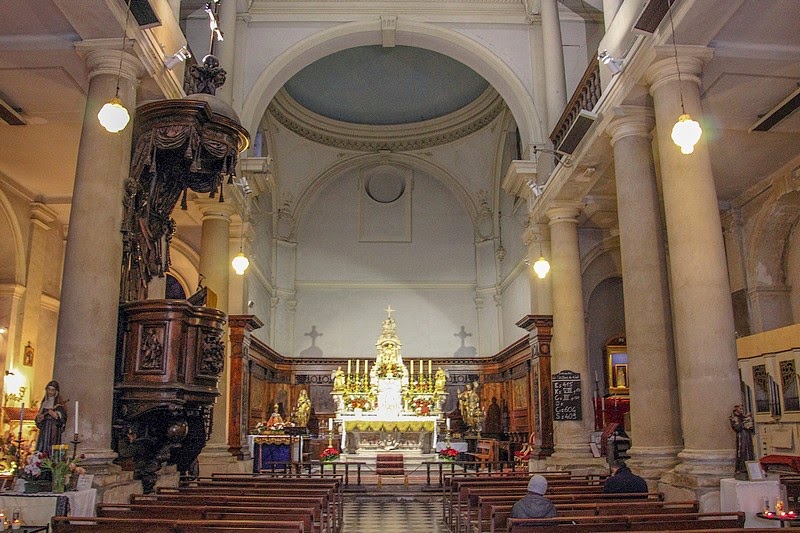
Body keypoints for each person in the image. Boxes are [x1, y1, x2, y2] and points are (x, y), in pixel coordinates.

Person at [35, 380, 67, 456]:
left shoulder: (58, 405)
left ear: (56, 392)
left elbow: (63, 418)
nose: (50, 392)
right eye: (48, 389)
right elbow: (38, 418)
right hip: (44, 429)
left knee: (51, 446)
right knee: (42, 446)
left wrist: (55, 415)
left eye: (52, 390)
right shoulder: (44, 403)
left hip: (53, 429)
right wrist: (39, 419)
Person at [730, 404, 755, 474]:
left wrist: (749, 423)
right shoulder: (734, 417)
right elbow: (736, 427)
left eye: (742, 409)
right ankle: (741, 468)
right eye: (740, 409)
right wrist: (744, 424)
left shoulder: (743, 416)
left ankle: (749, 468)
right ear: (736, 409)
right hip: (741, 436)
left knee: (749, 450)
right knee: (742, 451)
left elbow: (750, 427)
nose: (741, 410)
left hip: (747, 435)